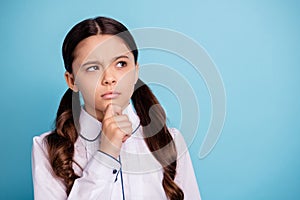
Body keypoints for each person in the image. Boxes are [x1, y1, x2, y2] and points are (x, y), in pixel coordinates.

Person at [31, 16, 201, 200]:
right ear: (72, 81)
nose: (109, 78)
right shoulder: (47, 148)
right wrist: (106, 154)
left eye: (121, 64)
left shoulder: (170, 140)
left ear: (136, 71)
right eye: (92, 67)